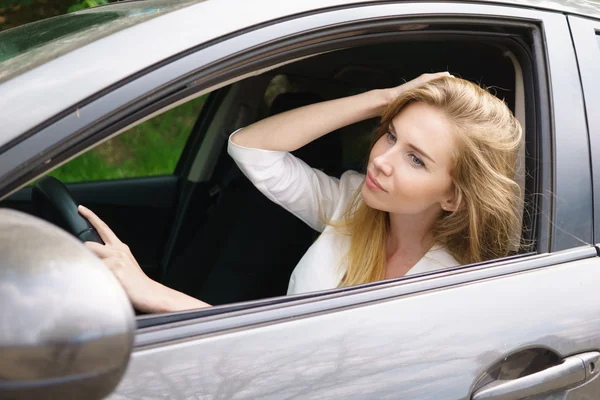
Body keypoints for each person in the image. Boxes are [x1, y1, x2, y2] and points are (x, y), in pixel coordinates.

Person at [79, 72, 523, 313]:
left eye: (416, 159)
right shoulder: (352, 205)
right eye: (390, 136)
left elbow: (310, 366)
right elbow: (250, 149)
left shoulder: (450, 289)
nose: (381, 160)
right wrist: (380, 97)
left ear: (453, 197)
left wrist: (153, 292)